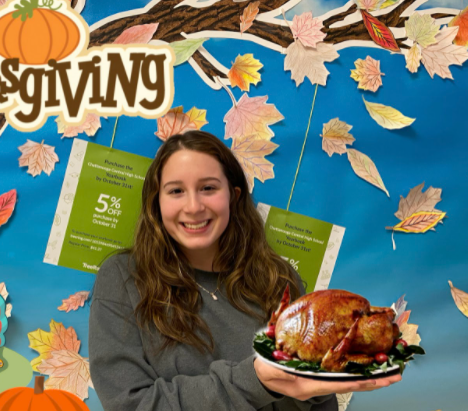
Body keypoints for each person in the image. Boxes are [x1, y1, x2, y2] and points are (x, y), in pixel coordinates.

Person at [88, 131, 401, 410]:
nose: (194, 206)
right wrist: (256, 380)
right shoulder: (123, 278)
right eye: (176, 191)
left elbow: (317, 402)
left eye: (208, 188)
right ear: (156, 202)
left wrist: (319, 387)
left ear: (233, 196)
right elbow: (130, 404)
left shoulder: (277, 279)